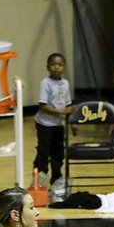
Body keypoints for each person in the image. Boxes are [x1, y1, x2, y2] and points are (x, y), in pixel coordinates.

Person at [34, 53, 75, 190]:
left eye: (60, 65)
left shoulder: (65, 83)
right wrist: (62, 112)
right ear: (47, 67)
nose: (56, 67)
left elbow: (68, 105)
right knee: (44, 151)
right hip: (44, 124)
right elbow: (43, 105)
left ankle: (57, 177)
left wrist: (71, 124)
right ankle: (39, 178)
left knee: (58, 152)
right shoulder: (45, 83)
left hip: (59, 125)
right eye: (53, 64)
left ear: (64, 67)